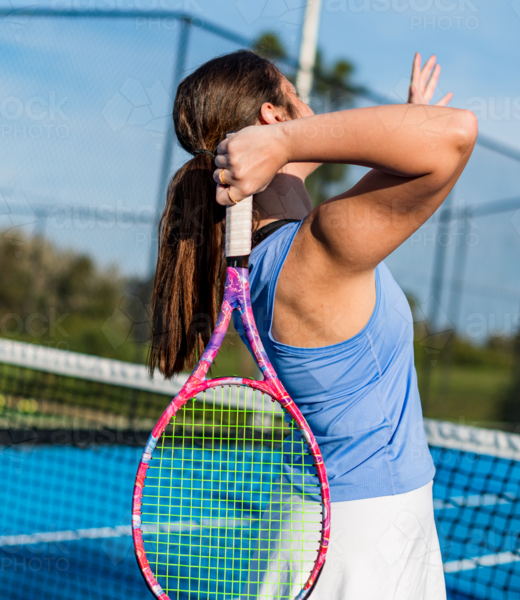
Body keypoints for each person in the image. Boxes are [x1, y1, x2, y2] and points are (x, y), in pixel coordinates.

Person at [149, 49, 477, 599]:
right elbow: (455, 134)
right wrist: (290, 142)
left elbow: (302, 164)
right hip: (368, 544)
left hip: (319, 528)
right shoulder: (320, 249)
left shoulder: (267, 256)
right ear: (272, 119)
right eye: (296, 95)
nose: (311, 107)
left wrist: (397, 120)